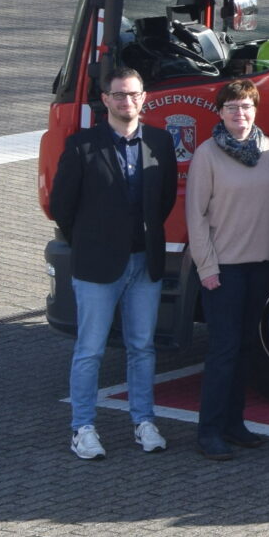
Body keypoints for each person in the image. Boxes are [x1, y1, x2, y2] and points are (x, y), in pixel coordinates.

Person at [52, 66, 179, 460]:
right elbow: (62, 208)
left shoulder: (159, 142)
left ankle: (144, 422)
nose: (128, 102)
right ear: (105, 99)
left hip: (146, 263)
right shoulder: (81, 146)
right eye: (120, 95)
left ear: (145, 98)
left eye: (134, 94)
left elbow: (165, 199)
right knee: (90, 350)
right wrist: (92, 241)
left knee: (142, 347)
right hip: (97, 266)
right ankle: (82, 428)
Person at [185, 78, 269, 460]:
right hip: (224, 270)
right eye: (232, 107)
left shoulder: (268, 150)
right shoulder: (207, 154)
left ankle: (234, 423)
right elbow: (195, 216)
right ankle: (209, 431)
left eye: (246, 106)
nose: (240, 114)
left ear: (255, 110)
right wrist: (207, 266)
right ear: (220, 112)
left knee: (247, 348)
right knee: (223, 351)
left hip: (262, 266)